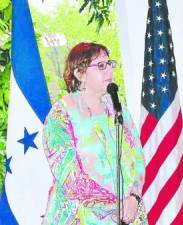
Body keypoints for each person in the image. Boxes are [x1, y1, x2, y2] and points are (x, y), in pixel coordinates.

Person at [42, 42, 148, 225]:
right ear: (80, 73)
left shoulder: (118, 108)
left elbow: (138, 157)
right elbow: (70, 178)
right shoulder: (61, 114)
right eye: (100, 66)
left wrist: (134, 197)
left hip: (128, 214)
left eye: (109, 64)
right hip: (82, 216)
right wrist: (115, 206)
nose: (109, 70)